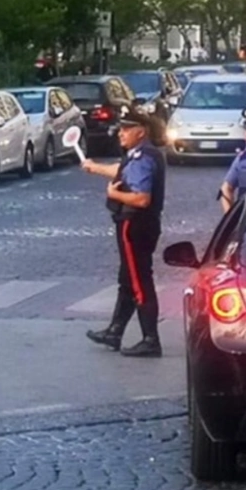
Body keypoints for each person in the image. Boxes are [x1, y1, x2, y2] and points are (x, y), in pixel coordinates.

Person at [81, 112, 166, 358]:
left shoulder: (142, 157)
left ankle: (150, 339)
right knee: (128, 279)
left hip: (134, 223)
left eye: (126, 129)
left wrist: (114, 194)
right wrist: (95, 168)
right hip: (138, 224)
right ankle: (115, 331)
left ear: (141, 131)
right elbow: (123, 171)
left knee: (139, 281)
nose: (121, 133)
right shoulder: (142, 154)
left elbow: (141, 198)